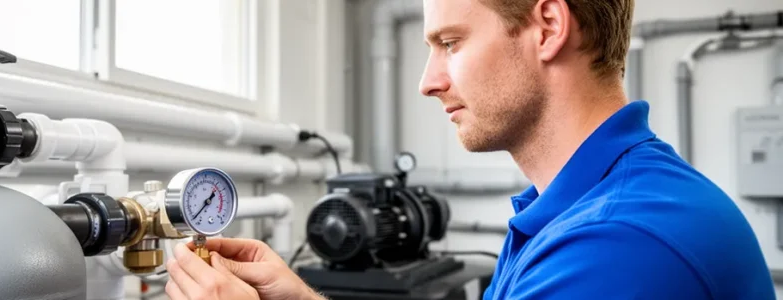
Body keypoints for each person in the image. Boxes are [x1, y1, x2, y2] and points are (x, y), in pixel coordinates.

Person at [165, 0, 777, 299]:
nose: (428, 80)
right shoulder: (573, 210)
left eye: (450, 42)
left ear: (547, 26)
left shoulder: (618, 244)